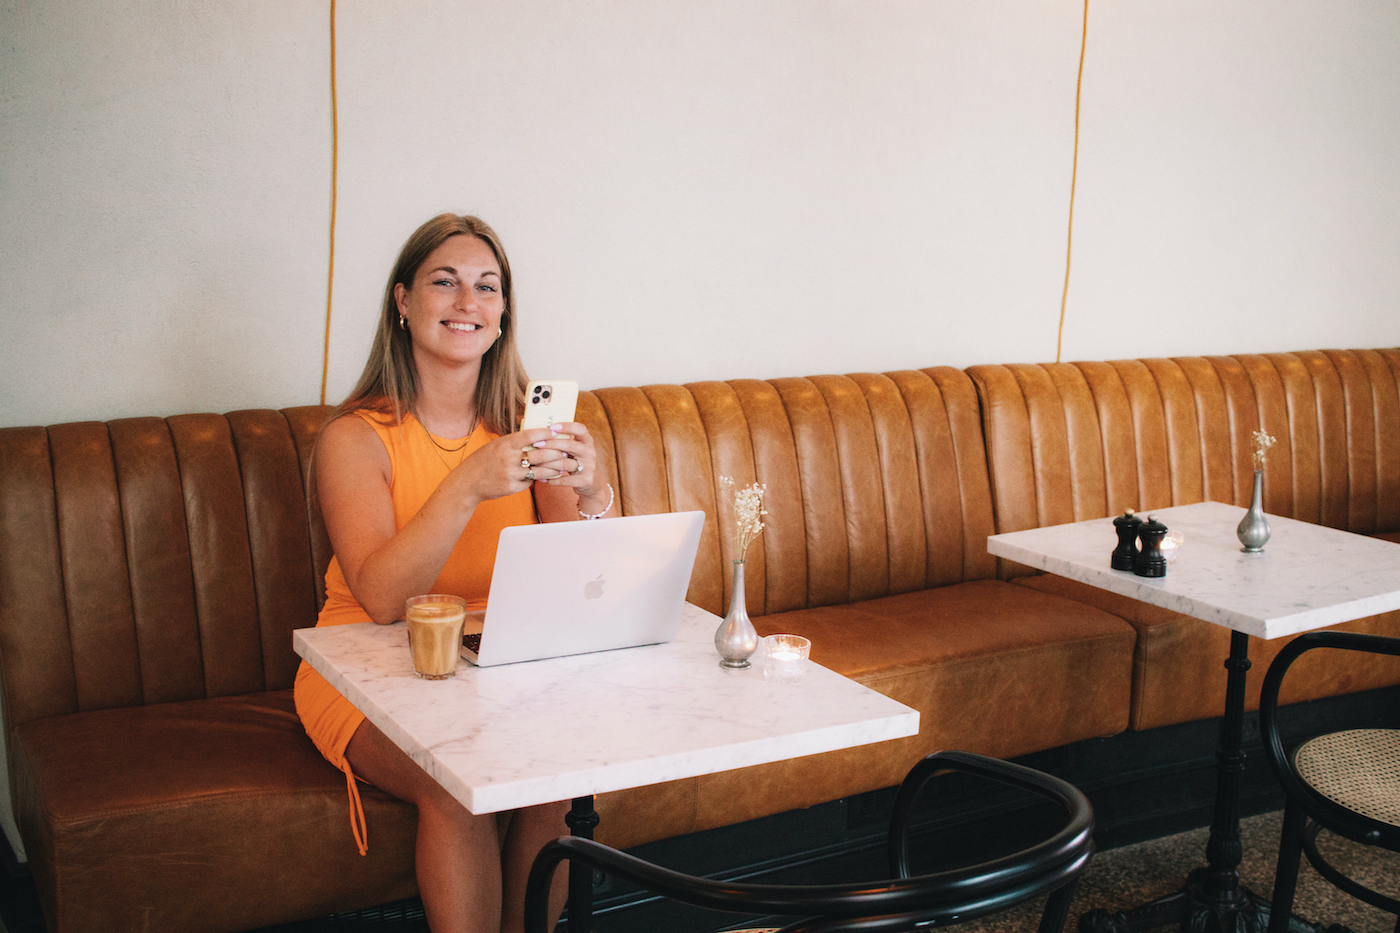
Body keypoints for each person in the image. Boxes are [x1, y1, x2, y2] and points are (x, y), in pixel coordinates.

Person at [294, 214, 613, 933]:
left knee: (558, 782)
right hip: (362, 661)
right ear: (403, 301)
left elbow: (581, 577)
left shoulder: (528, 428)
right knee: (457, 782)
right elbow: (379, 597)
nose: (467, 300)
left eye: (486, 287)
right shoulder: (355, 437)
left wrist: (594, 497)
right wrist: (467, 483)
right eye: (445, 281)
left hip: (496, 660)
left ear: (502, 317)